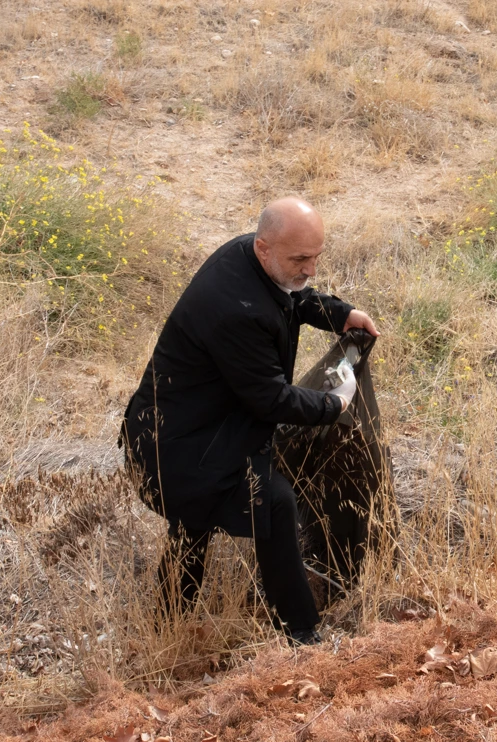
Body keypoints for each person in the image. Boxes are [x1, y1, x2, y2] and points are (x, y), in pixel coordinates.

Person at [120, 197, 379, 645]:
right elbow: (272, 400)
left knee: (193, 521)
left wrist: (339, 314)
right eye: (301, 259)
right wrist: (333, 405)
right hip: (173, 450)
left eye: (316, 256)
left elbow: (291, 296)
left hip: (184, 427)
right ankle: (301, 633)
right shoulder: (236, 310)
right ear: (264, 248)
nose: (311, 269)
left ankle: (168, 619)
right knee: (274, 504)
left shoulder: (251, 257)